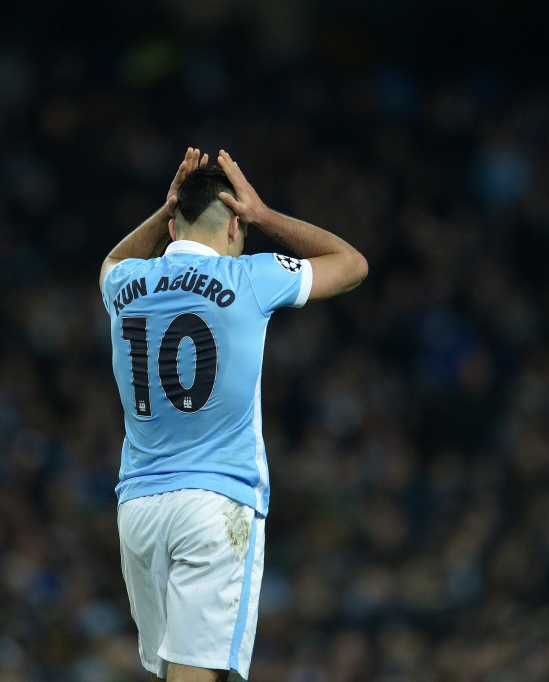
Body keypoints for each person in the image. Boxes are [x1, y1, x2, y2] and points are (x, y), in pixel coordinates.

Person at [99, 147, 368, 681]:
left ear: (173, 227)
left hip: (139, 509)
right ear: (234, 228)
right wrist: (265, 215)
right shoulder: (249, 277)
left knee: (166, 674)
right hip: (215, 504)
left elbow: (109, 261)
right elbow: (352, 265)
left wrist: (166, 211)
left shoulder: (123, 286)